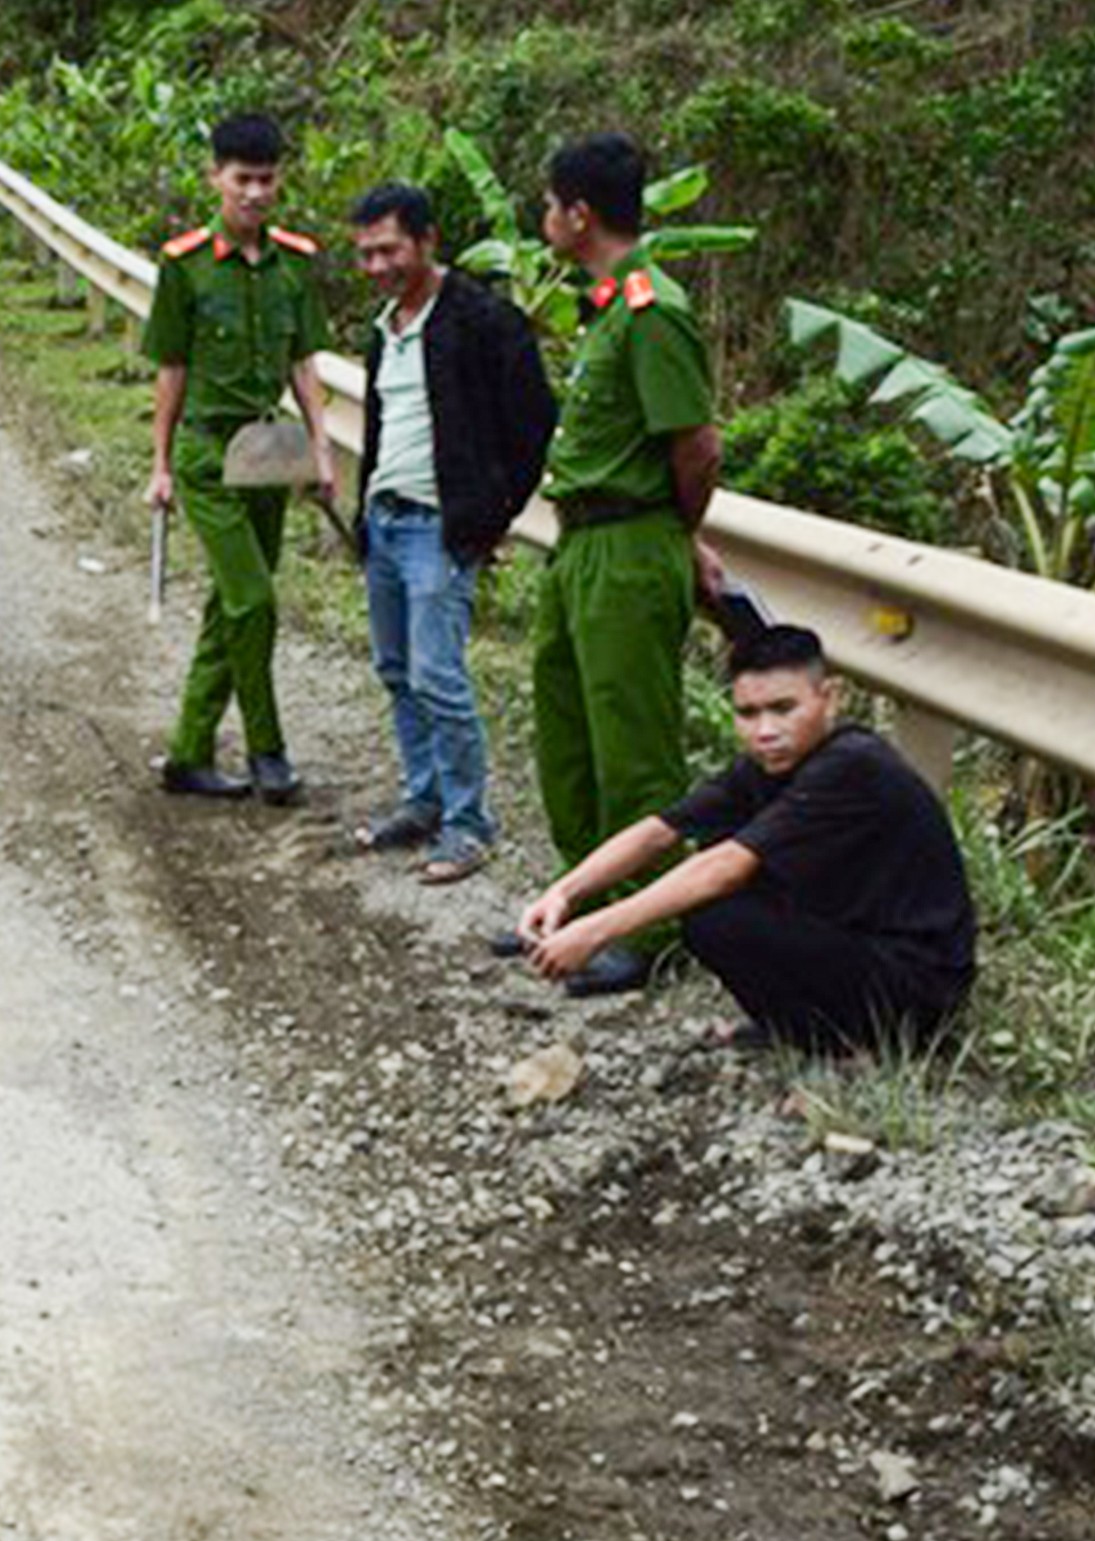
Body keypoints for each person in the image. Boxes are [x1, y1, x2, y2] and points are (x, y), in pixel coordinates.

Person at [518, 623, 976, 1053]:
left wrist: (596, 931)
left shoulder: (852, 765)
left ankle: (849, 1045)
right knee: (712, 871)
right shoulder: (763, 767)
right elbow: (661, 830)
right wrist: (564, 892)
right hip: (853, 941)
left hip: (917, 983)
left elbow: (724, 868)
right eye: (748, 714)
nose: (766, 732)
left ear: (830, 699)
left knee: (713, 908)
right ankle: (798, 1028)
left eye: (784, 709)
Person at [520, 131, 724, 995]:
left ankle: (654, 927)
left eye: (549, 206)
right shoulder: (603, 305)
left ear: (579, 214)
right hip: (581, 543)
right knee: (567, 728)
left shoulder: (652, 310)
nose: (542, 221)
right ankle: (580, 902)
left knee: (633, 744)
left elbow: (697, 446)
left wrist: (676, 535)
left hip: (631, 541)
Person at [346, 180, 556, 884]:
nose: (378, 267)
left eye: (390, 251)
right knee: (397, 671)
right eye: (367, 254)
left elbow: (532, 428)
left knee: (439, 675)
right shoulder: (384, 328)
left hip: (441, 529)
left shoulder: (483, 320)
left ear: (428, 241)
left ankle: (469, 825)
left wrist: (489, 518)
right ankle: (424, 799)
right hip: (384, 519)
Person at [142, 111, 337, 806]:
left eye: (267, 179)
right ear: (216, 177)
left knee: (231, 609)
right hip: (206, 452)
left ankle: (189, 755)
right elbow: (170, 369)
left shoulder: (294, 263)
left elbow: (303, 365)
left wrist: (320, 450)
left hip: (270, 452)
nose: (255, 193)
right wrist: (160, 464)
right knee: (253, 600)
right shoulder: (185, 265)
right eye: (242, 179)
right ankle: (268, 752)